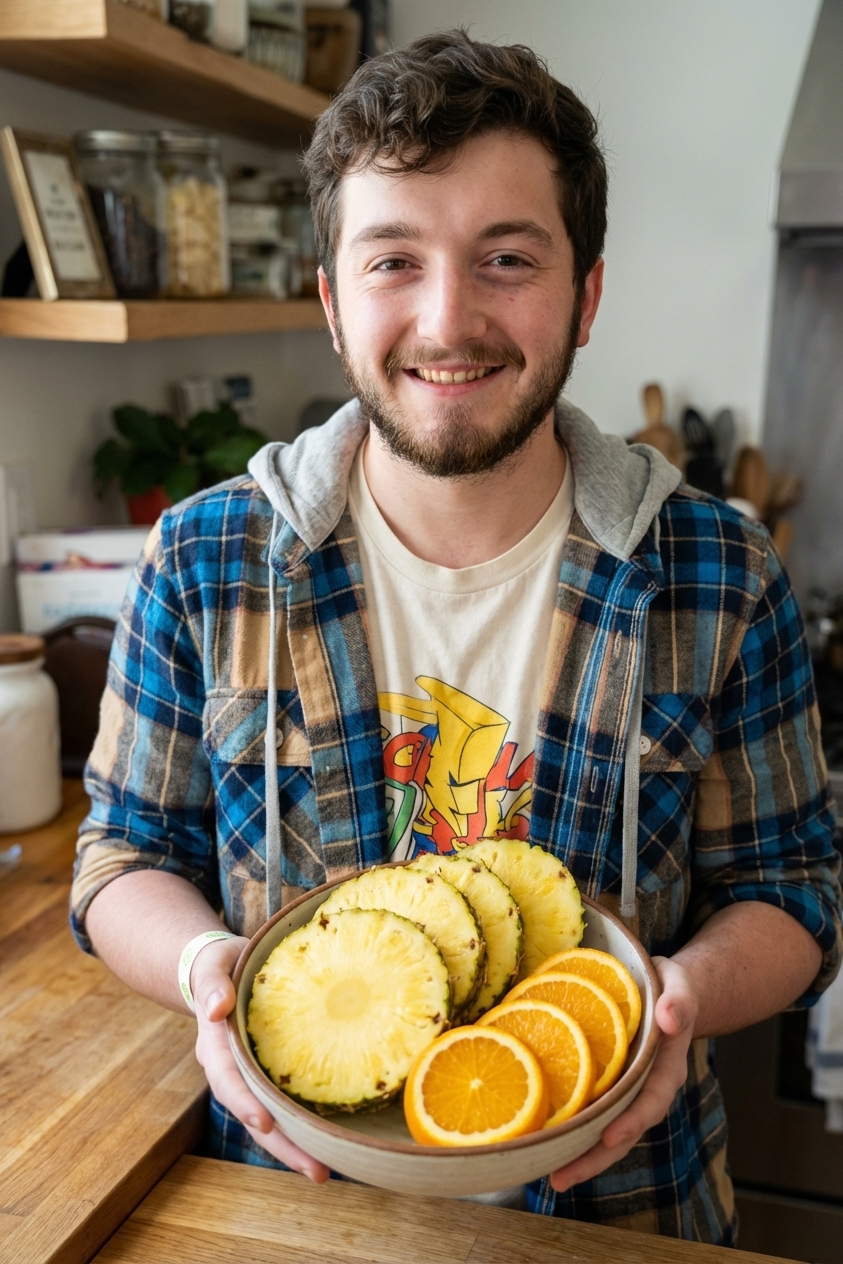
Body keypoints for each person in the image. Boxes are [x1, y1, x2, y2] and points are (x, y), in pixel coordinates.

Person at [71, 30, 841, 1245]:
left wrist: (678, 999)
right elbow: (121, 856)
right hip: (288, 1206)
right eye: (393, 260)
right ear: (330, 300)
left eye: (506, 258)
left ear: (585, 294)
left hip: (621, 1210)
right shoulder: (206, 559)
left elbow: (795, 892)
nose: (448, 319)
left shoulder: (722, 572)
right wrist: (207, 971)